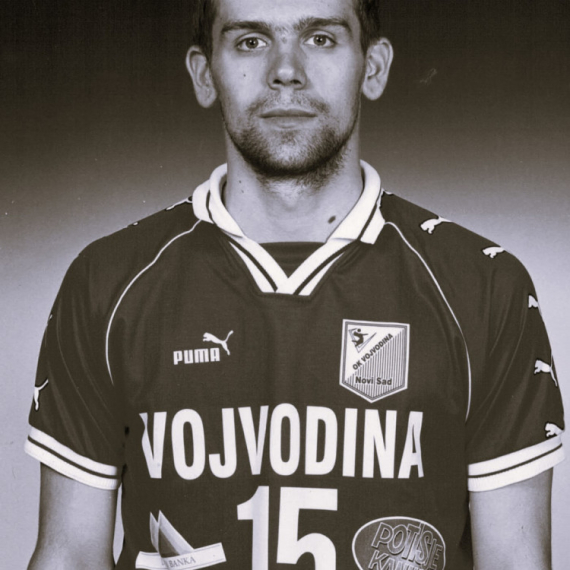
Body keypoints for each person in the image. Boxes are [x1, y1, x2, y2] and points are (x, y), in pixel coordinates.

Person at [26, 0, 565, 568]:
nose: (286, 70)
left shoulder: (482, 287)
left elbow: (515, 559)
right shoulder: (109, 283)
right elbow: (70, 555)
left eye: (321, 38)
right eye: (251, 41)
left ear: (373, 67)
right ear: (205, 74)